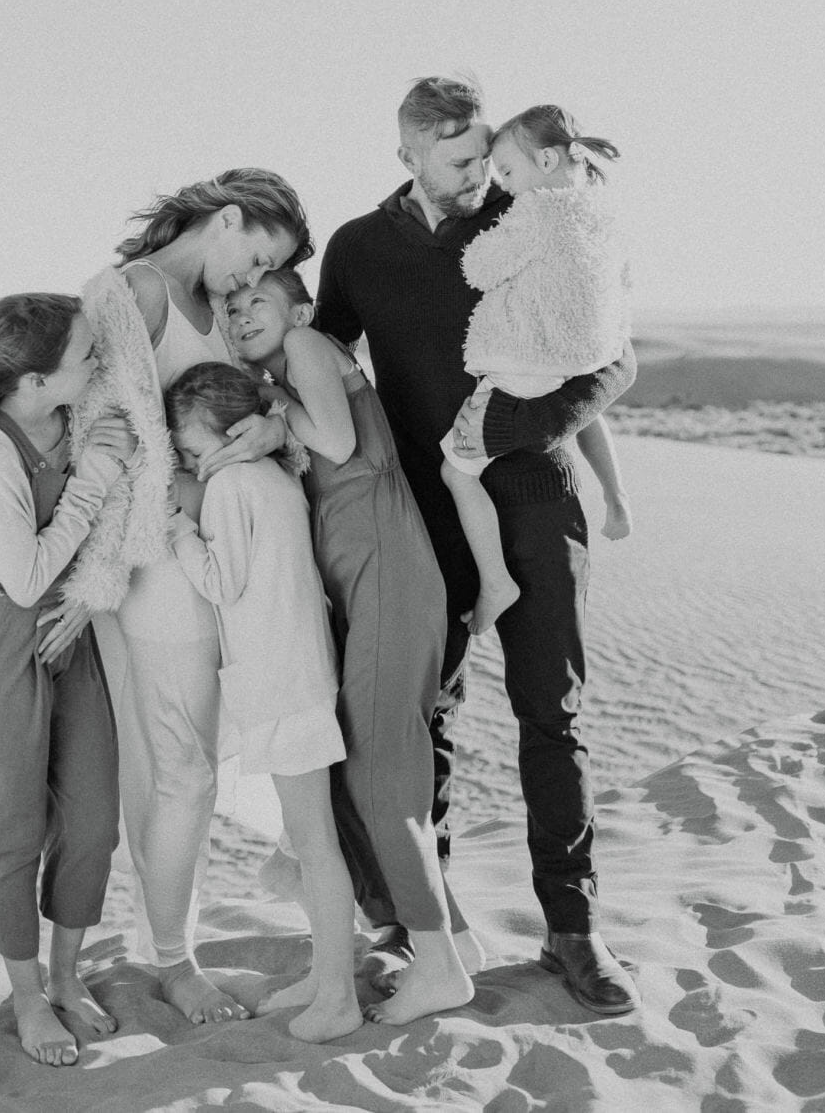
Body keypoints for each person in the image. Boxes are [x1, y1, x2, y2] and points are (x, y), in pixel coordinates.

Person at [315, 75, 641, 1017]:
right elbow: (323, 360)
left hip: (535, 489)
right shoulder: (359, 247)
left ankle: (573, 929)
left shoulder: (533, 219)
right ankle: (424, 929)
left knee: (554, 714)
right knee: (420, 721)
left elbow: (616, 355)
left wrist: (519, 430)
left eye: (482, 152)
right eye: (455, 158)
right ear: (407, 154)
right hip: (421, 513)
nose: (475, 175)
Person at [36, 169, 312, 1026]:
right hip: (154, 571)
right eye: (255, 252)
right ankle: (174, 963)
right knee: (178, 773)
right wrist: (102, 574)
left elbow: (239, 407)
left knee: (183, 768)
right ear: (226, 217)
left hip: (216, 570)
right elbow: (103, 439)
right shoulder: (137, 294)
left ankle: (172, 947)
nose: (249, 279)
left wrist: (271, 424)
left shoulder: (215, 309)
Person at [225, 268, 478, 1024]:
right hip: (358, 581)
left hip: (387, 572)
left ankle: (439, 970)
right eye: (231, 308)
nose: (242, 315)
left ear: (298, 308)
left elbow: (333, 439)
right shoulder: (286, 373)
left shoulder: (305, 346)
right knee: (354, 777)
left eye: (256, 301)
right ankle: (455, 944)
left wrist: (274, 413)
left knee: (378, 778)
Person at [0, 294, 133, 1067]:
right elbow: (28, 574)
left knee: (95, 819)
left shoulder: (74, 415)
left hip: (73, 633)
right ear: (36, 379)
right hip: (4, 646)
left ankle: (69, 976)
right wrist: (95, 477)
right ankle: (28, 995)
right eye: (83, 356)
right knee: (12, 829)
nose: (96, 364)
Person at [163, 360, 362, 1043]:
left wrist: (179, 531)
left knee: (315, 844)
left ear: (226, 430)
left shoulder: (228, 486)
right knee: (307, 843)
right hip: (299, 669)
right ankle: (323, 973)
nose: (189, 460)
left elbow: (222, 582)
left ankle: (337, 992)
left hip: (281, 680)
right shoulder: (276, 474)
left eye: (191, 447)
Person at [440, 104, 633, 635]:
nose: (501, 185)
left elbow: (479, 268)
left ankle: (495, 580)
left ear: (546, 159)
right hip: (578, 360)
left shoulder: (536, 213)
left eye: (507, 172)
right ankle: (616, 497)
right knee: (587, 413)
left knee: (456, 471)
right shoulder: (603, 215)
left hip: (520, 366)